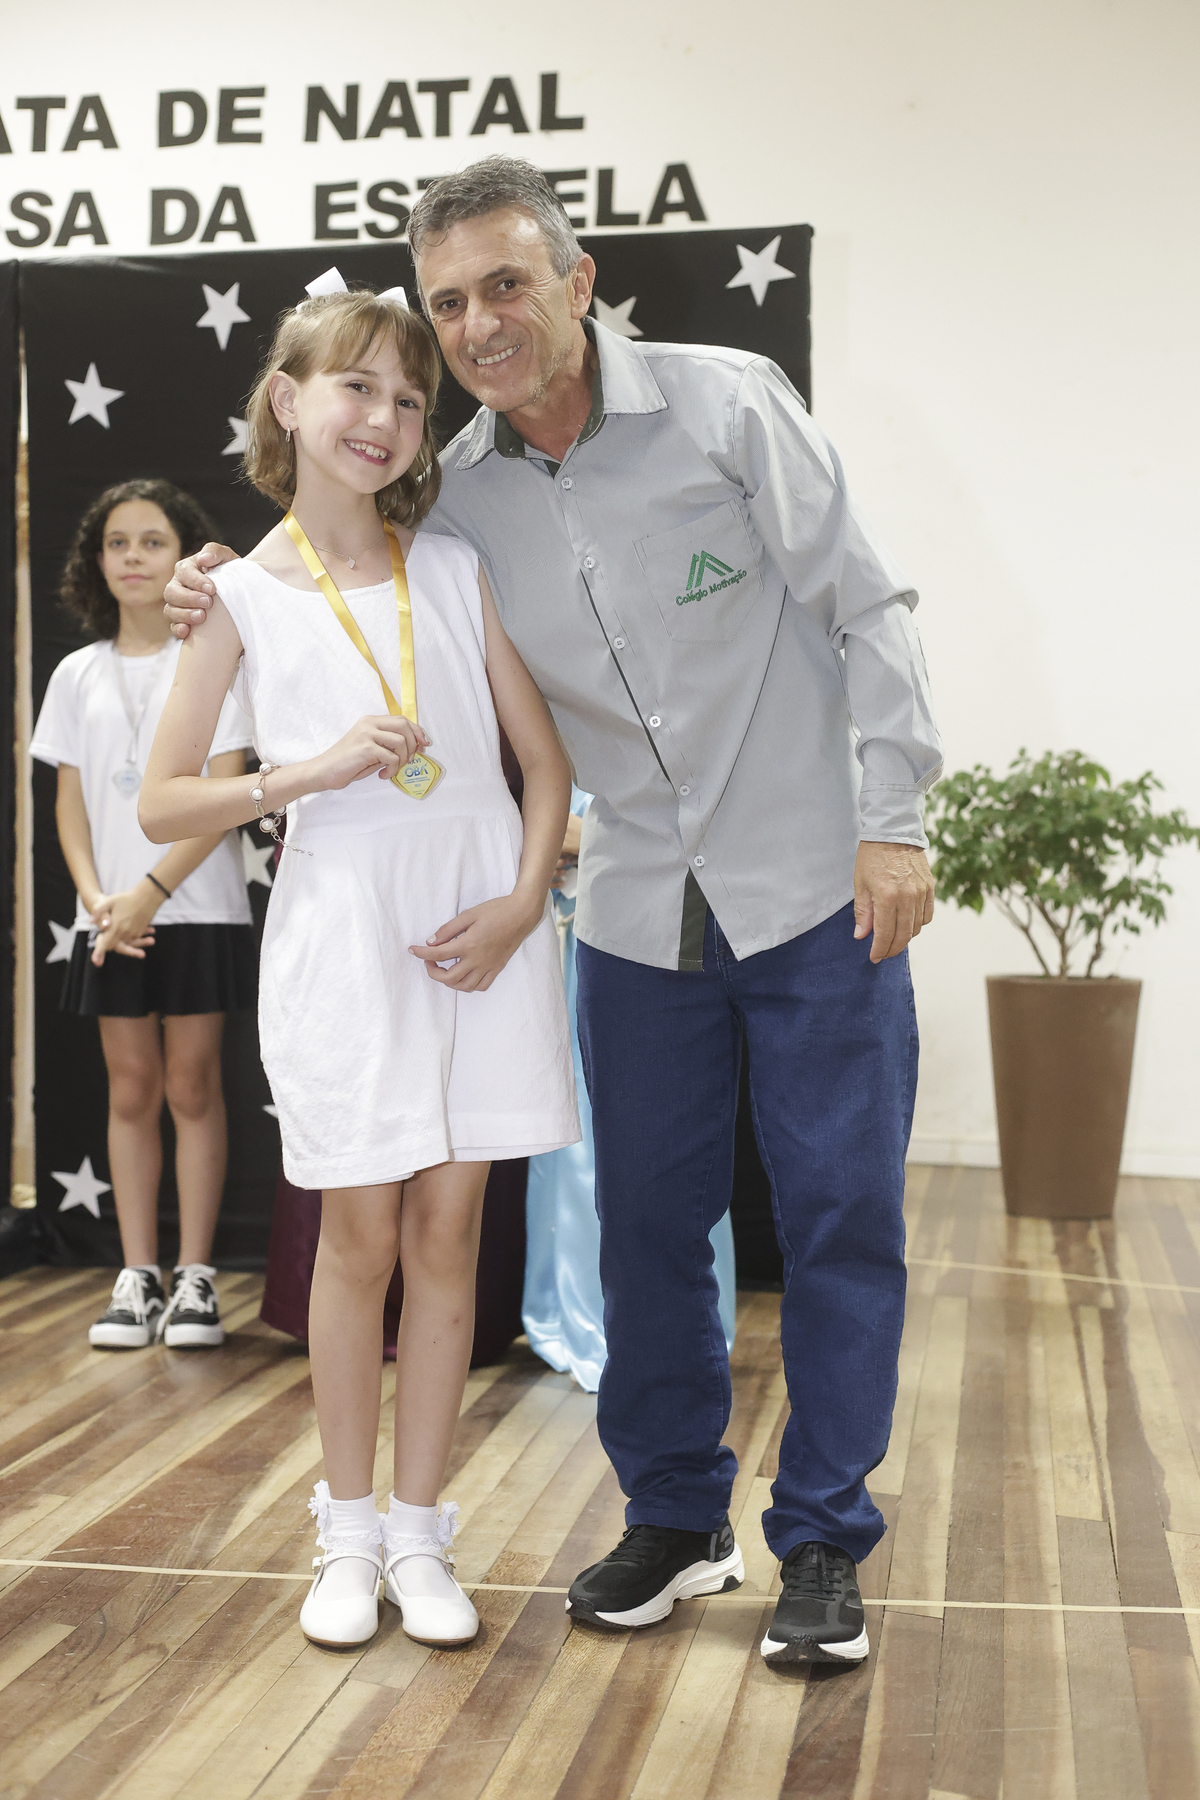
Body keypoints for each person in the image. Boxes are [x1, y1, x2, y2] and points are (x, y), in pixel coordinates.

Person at [164, 157, 942, 1669]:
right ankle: (676, 1515)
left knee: (842, 1219)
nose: (478, 325)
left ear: (579, 283)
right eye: (449, 301)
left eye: (506, 284)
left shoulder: (728, 406)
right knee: (646, 1227)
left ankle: (823, 1537)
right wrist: (213, 585)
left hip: (814, 889)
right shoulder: (460, 496)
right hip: (638, 912)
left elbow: (868, 605)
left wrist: (894, 820)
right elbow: (335, 548)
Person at [140, 285, 578, 1652]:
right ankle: (343, 1534)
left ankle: (421, 1534)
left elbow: (544, 766)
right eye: (356, 387)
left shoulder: (450, 567)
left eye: (408, 397)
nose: (384, 417)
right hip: (343, 940)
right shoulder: (234, 595)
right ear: (288, 400)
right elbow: (161, 802)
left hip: (483, 938)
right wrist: (306, 772)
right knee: (360, 1239)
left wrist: (521, 907)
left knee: (450, 1237)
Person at [31, 479, 257, 1352]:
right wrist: (99, 901)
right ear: (96, 561)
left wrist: (148, 895)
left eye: (153, 541)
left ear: (183, 556)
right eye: (117, 543)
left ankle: (195, 1275)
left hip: (193, 910)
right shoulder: (75, 674)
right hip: (110, 918)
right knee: (130, 1089)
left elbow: (225, 792)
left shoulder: (212, 659)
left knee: (193, 1086)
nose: (133, 557)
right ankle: (137, 1276)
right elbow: (70, 804)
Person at [525, 786, 737, 1390]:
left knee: (655, 1132)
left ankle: (651, 1333)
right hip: (576, 928)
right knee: (573, 1127)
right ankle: (575, 1316)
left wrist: (584, 838)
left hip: (665, 927)